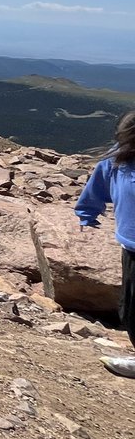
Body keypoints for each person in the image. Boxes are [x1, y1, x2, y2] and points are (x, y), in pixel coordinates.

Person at [76, 111, 135, 376]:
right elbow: (97, 186)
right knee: (130, 310)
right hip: (132, 248)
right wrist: (87, 213)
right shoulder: (117, 160)